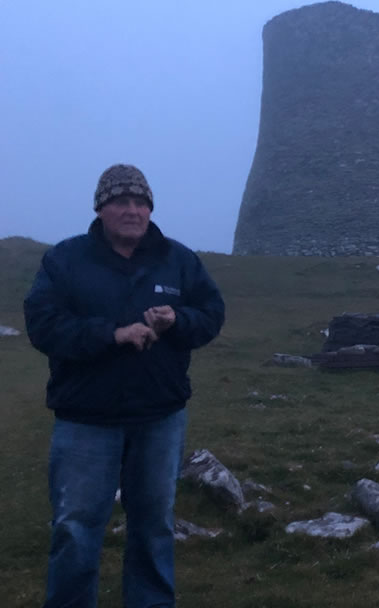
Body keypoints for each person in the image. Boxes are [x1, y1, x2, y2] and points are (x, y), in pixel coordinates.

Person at [24, 163, 225, 608]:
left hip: (160, 416)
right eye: (121, 201)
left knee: (154, 526)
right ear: (101, 209)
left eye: (140, 202)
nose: (132, 210)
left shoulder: (179, 260)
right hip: (86, 419)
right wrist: (112, 335)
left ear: (150, 210)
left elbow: (211, 314)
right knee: (75, 528)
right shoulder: (65, 260)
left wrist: (178, 320)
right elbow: (43, 325)